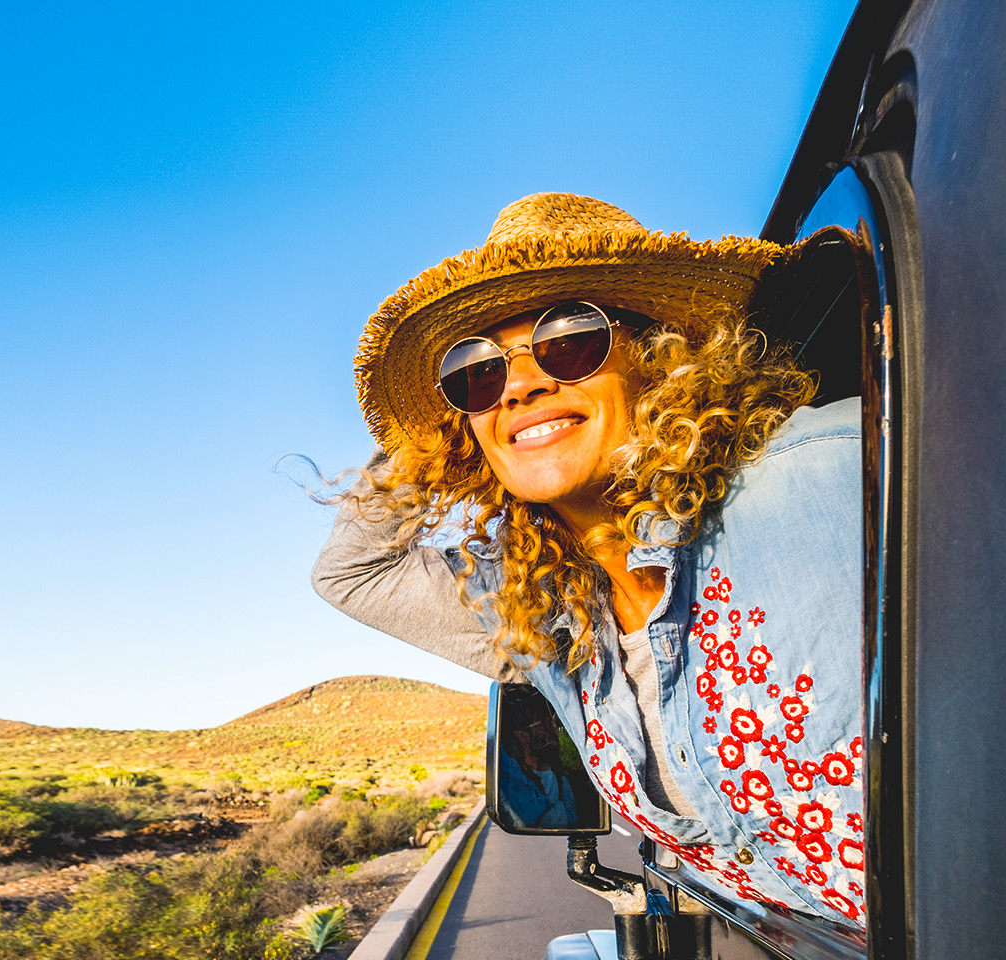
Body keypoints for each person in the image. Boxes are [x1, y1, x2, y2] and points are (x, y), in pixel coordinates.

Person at [313, 193, 867, 925]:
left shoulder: (833, 472)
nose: (522, 384)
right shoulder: (546, 616)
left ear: (664, 356)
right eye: (477, 372)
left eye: (569, 338)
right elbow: (351, 573)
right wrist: (427, 431)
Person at [496, 695, 580, 829]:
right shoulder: (512, 775)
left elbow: (572, 828)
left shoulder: (564, 783)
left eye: (551, 722)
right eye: (542, 723)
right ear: (522, 735)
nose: (551, 729)